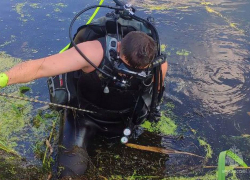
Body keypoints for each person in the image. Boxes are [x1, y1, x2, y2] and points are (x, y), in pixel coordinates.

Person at [0, 12, 167, 179]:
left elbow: (153, 97)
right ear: (118, 47)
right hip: (83, 117)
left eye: (135, 72)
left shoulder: (159, 66)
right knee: (69, 174)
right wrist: (4, 79)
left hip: (123, 121)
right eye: (124, 69)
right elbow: (40, 67)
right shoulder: (92, 52)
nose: (126, 77)